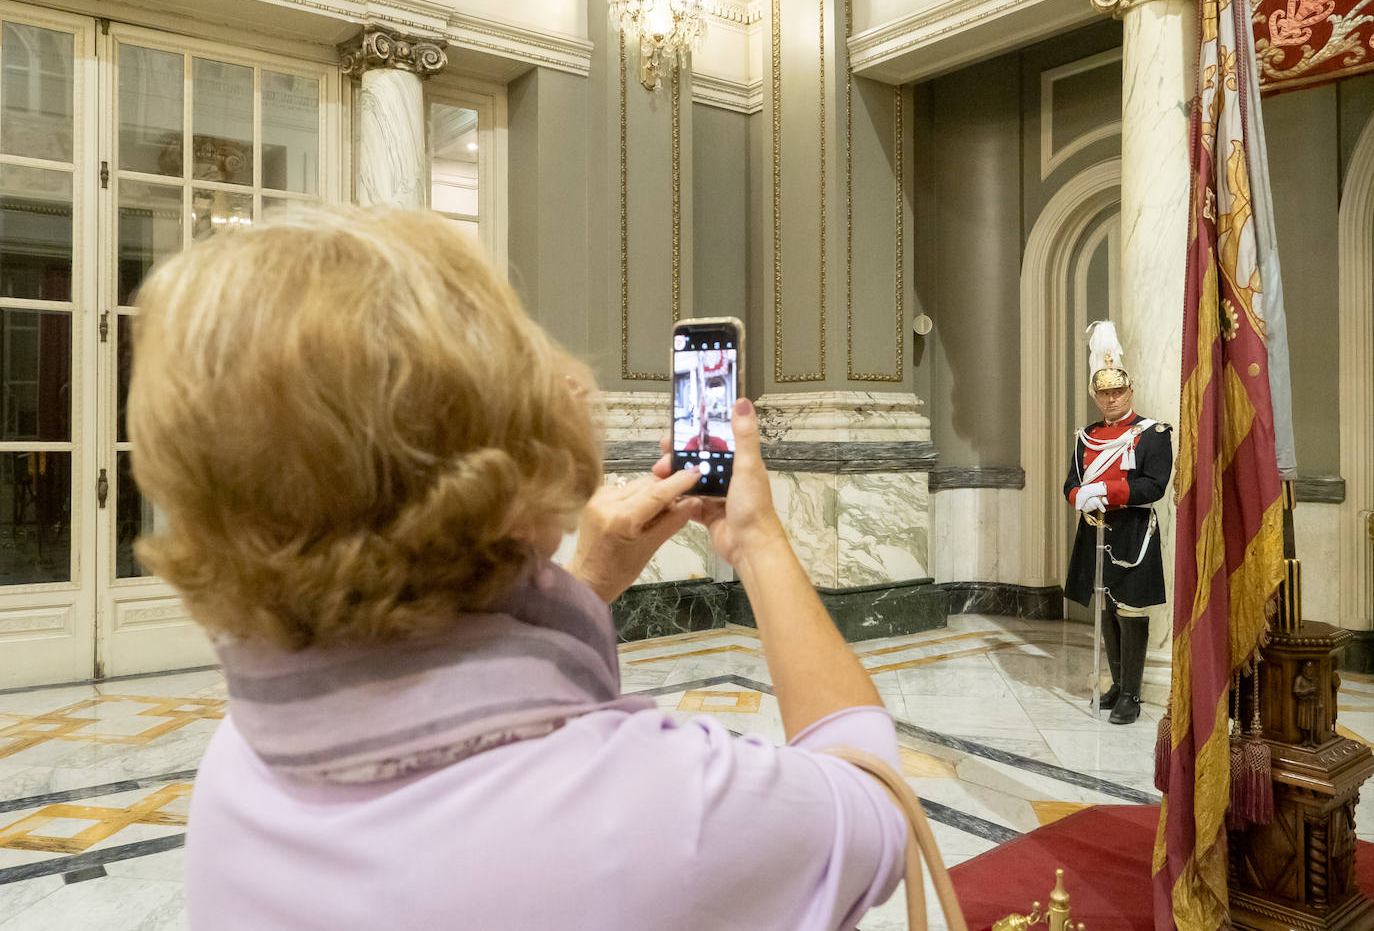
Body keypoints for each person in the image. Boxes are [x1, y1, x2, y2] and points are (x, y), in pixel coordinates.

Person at [127, 207, 908, 930]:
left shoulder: (239, 759)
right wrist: (760, 539)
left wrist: (589, 581)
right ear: (500, 462)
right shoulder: (652, 809)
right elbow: (876, 806)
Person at [1062, 321, 1173, 726]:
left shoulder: (1153, 433)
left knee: (1131, 610)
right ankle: (1115, 683)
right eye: (1103, 393)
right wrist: (1080, 496)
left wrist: (1106, 493)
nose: (1110, 399)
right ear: (1096, 396)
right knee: (1106, 608)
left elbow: (1154, 485)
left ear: (1130, 391)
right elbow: (1071, 483)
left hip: (1133, 531)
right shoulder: (1086, 436)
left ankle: (1132, 693)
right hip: (1094, 529)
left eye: (1117, 392)